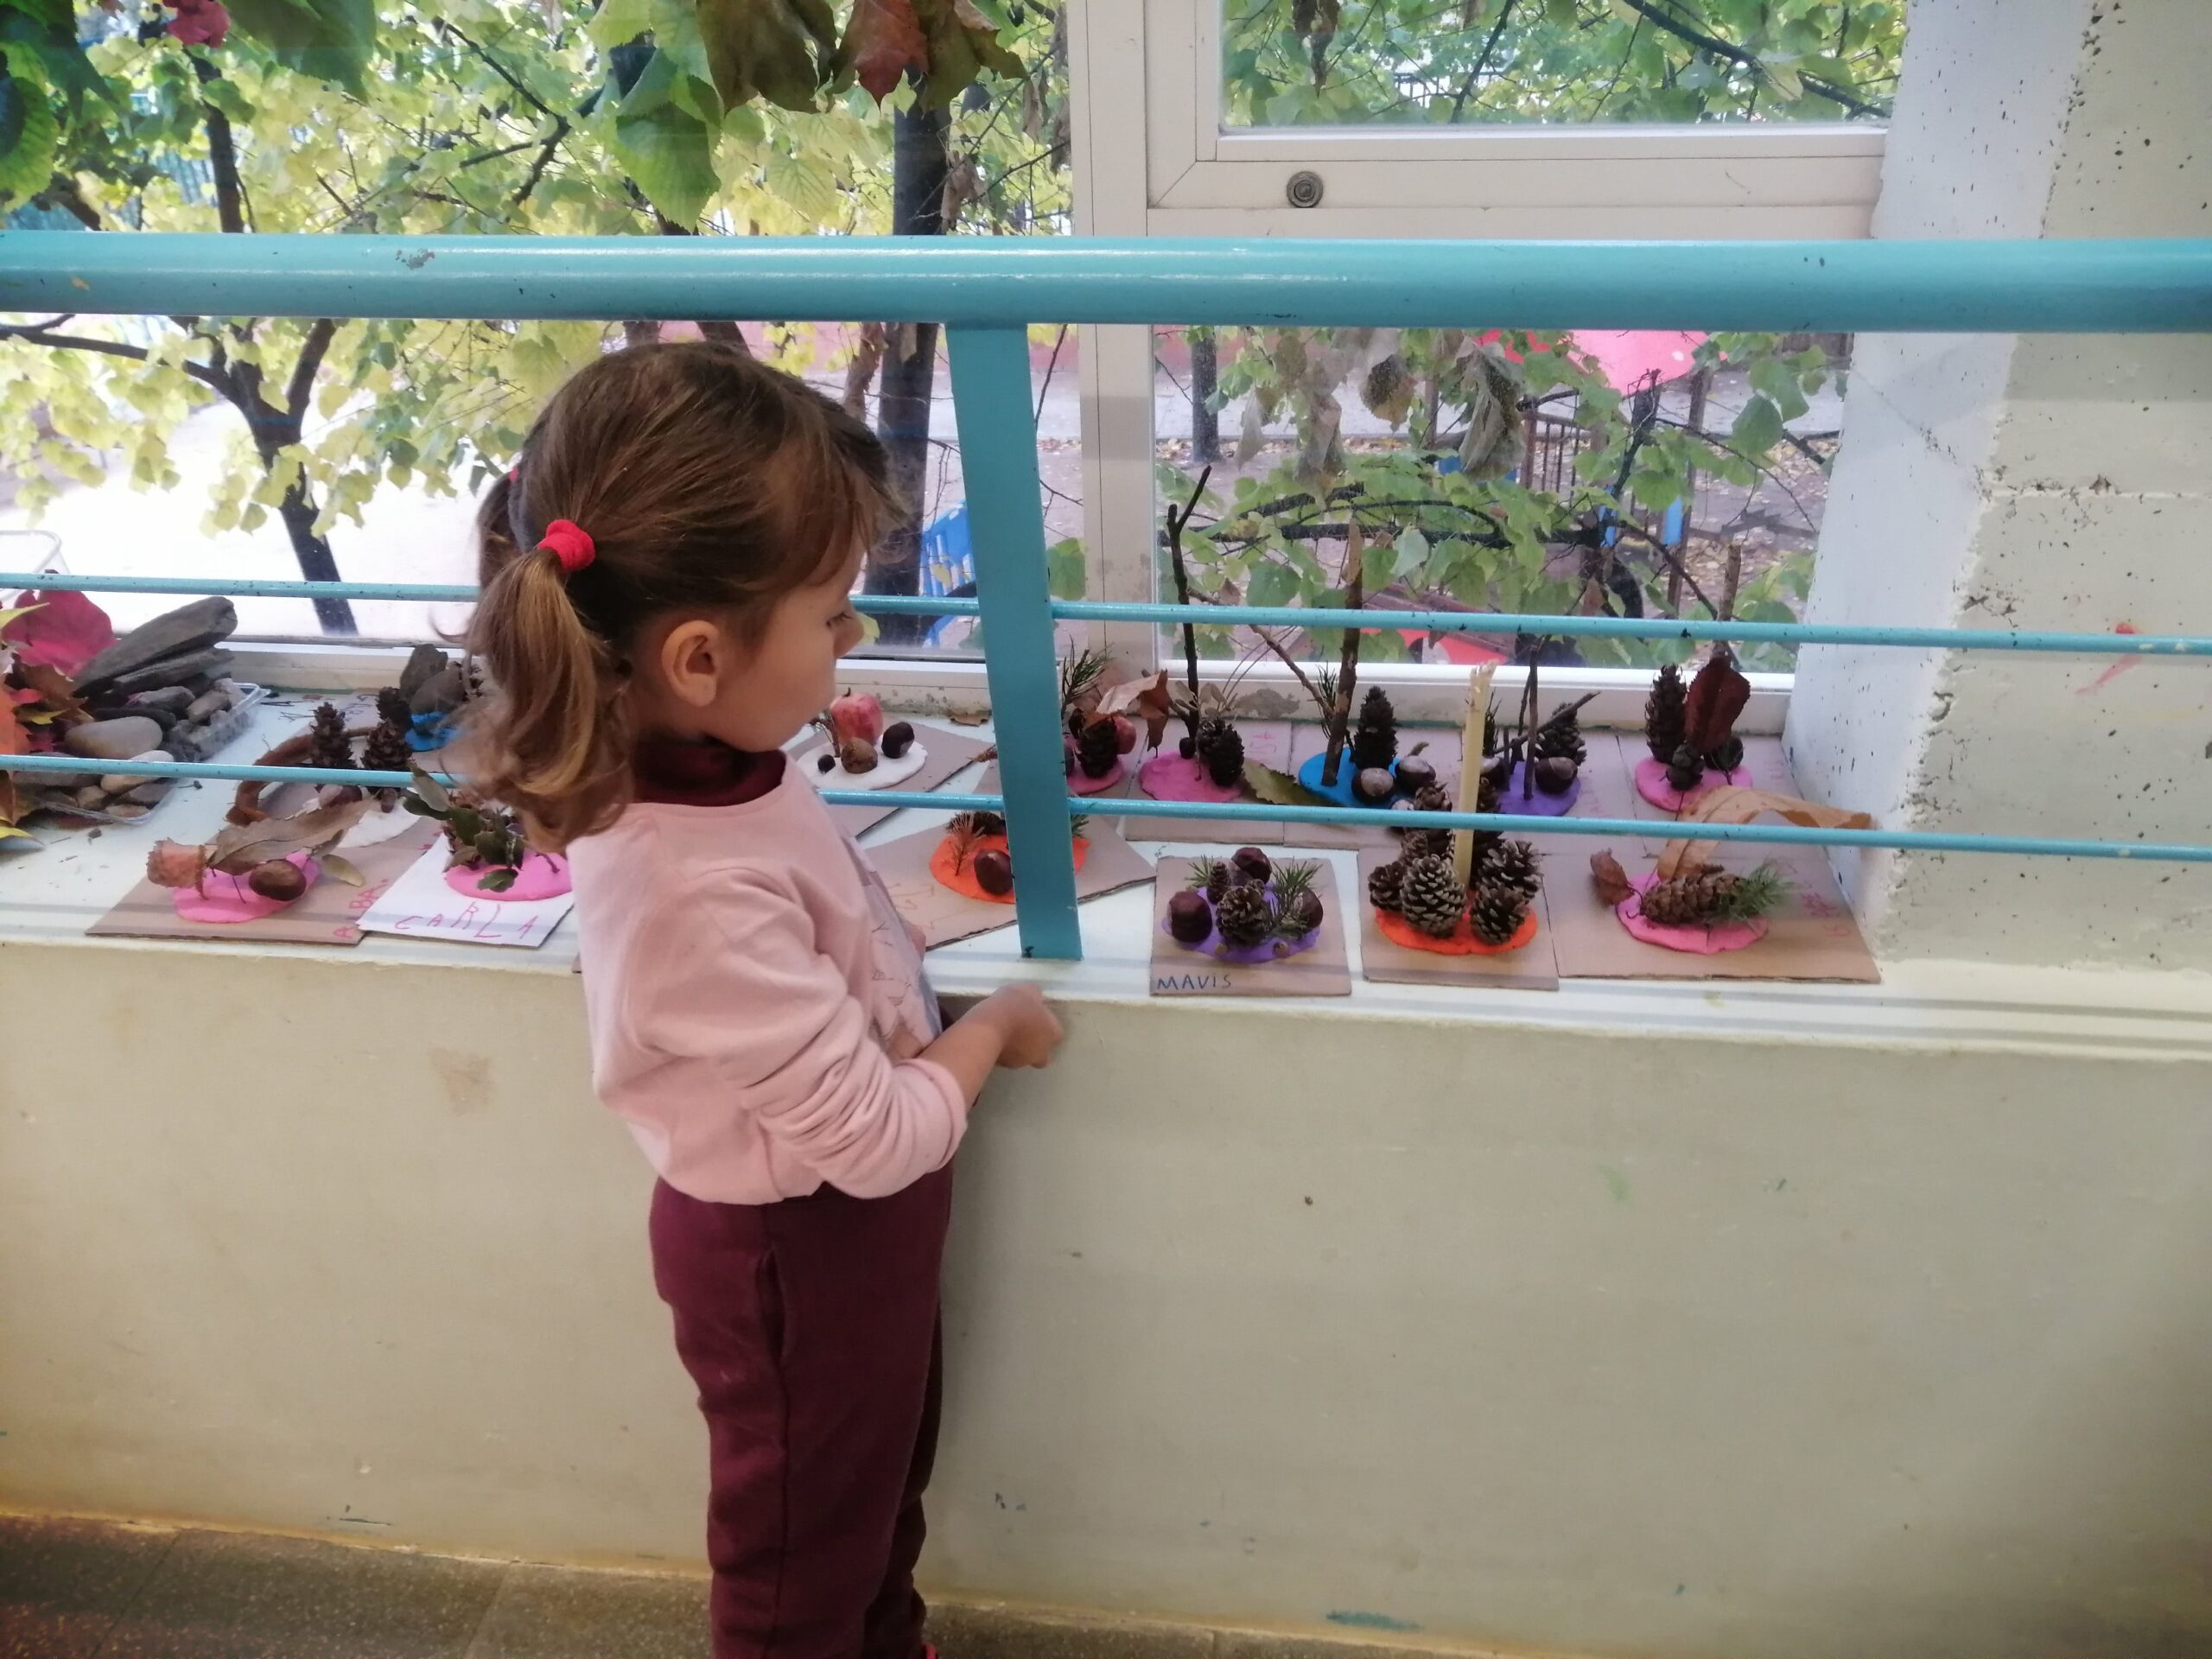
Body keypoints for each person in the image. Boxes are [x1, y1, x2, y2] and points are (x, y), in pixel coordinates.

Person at [464, 340, 1065, 1659]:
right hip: (800, 1254)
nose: (852, 638)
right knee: (797, 1564)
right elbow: (880, 1139)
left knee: (872, 1499)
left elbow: (814, 921)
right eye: (832, 614)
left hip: (845, 1234)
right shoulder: (683, 883)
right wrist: (992, 1029)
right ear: (697, 657)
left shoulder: (721, 763)